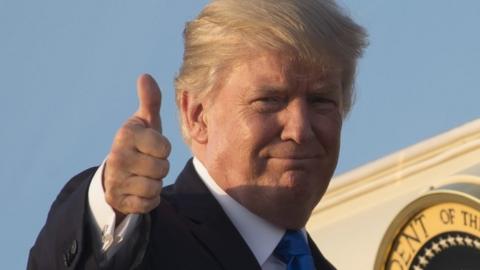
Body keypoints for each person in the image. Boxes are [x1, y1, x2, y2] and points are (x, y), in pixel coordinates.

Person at [28, 0, 367, 269]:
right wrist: (112, 206)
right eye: (269, 100)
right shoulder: (147, 243)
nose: (299, 129)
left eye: (321, 101)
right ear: (197, 115)